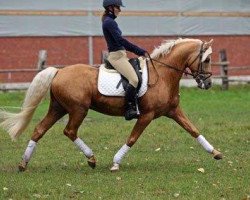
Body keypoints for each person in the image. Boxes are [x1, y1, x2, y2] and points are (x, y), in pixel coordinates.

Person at [102, 0, 147, 120]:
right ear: (110, 7)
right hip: (116, 57)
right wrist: (139, 50)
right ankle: (128, 108)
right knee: (134, 79)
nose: (120, 10)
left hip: (121, 55)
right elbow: (121, 41)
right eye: (118, 7)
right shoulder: (109, 22)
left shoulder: (110, 22)